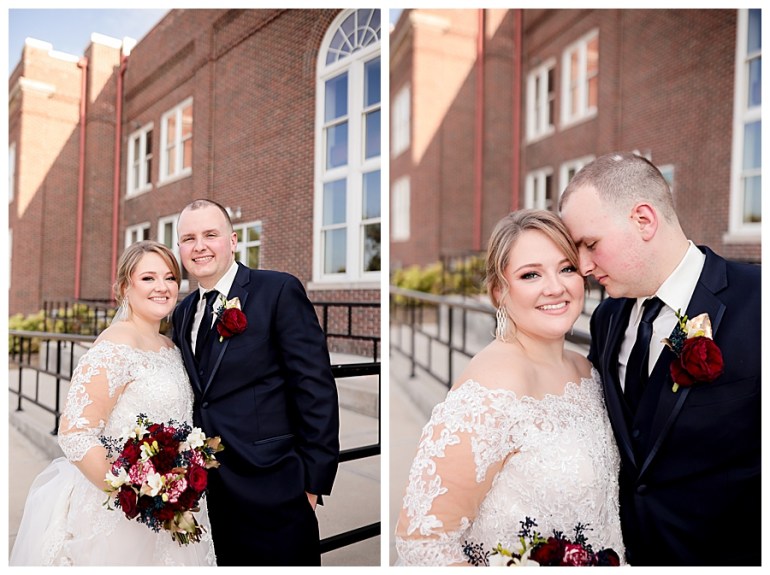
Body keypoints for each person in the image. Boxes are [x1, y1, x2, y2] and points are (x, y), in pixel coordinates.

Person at [559, 152, 761, 566]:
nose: (582, 266)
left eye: (590, 244)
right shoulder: (606, 317)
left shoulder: (759, 300)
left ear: (644, 220)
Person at [395, 209, 625, 566]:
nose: (555, 287)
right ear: (499, 292)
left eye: (566, 268)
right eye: (530, 274)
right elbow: (422, 542)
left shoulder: (585, 370)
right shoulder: (490, 390)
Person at [10, 240, 216, 566]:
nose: (162, 287)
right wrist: (136, 495)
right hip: (123, 515)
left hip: (174, 506)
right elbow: (75, 434)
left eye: (170, 278)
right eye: (148, 278)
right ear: (124, 287)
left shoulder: (170, 346)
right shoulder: (115, 346)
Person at [172, 198, 340, 566]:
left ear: (233, 241)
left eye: (210, 235)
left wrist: (312, 484)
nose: (199, 246)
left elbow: (315, 389)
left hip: (275, 487)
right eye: (188, 238)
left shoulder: (277, 291)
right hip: (210, 493)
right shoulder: (183, 313)